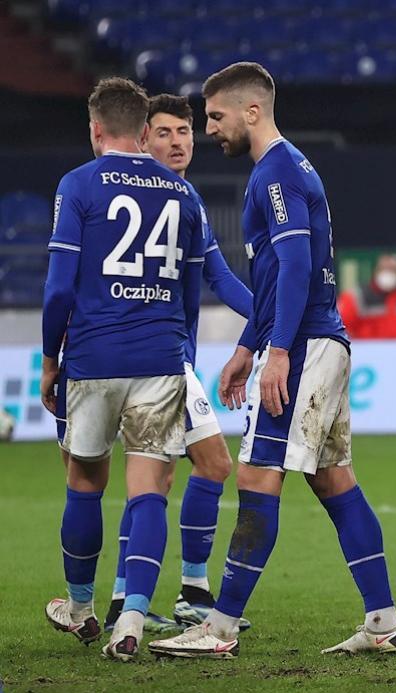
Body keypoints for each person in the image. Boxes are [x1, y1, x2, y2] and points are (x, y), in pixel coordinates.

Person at [148, 62, 396, 659]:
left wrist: (278, 352)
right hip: (322, 340)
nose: (209, 128)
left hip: (307, 344)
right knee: (334, 478)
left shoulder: (276, 172)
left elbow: (295, 269)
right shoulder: (286, 168)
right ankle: (384, 621)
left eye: (215, 116)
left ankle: (219, 629)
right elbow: (273, 278)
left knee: (257, 476)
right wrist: (247, 347)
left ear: (252, 111)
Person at [42, 77, 207, 661]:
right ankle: (132, 618)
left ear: (95, 129)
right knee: (149, 493)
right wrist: (180, 351)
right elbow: (191, 293)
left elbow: (60, 286)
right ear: (144, 131)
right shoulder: (182, 194)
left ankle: (83, 609)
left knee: (85, 481)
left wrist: (48, 359)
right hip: (161, 359)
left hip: (92, 357)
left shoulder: (78, 183)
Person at [99, 93, 256, 635]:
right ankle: (174, 592)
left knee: (170, 477)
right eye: (164, 132)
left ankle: (140, 596)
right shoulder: (143, 195)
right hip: (148, 359)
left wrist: (273, 317)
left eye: (185, 132)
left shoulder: (185, 198)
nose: (178, 142)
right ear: (142, 138)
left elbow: (219, 277)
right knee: (182, 472)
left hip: (170, 361)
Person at [337, 253, 396, 339]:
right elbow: (343, 329)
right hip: (367, 353)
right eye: (383, 269)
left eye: (393, 270)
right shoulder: (355, 297)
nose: (388, 273)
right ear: (375, 271)